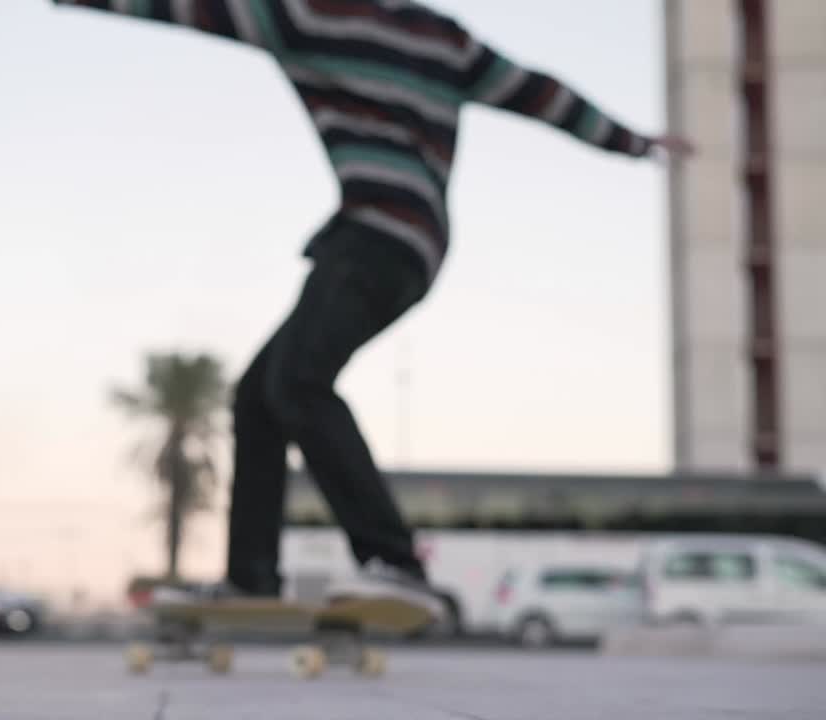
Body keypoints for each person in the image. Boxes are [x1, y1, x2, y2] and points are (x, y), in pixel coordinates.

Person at [51, 0, 694, 614]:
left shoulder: (304, 15)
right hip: (417, 248)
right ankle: (252, 579)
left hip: (374, 237)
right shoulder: (445, 38)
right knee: (258, 396)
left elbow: (186, 8)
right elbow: (543, 95)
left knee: (297, 383)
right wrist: (631, 143)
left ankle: (393, 563)